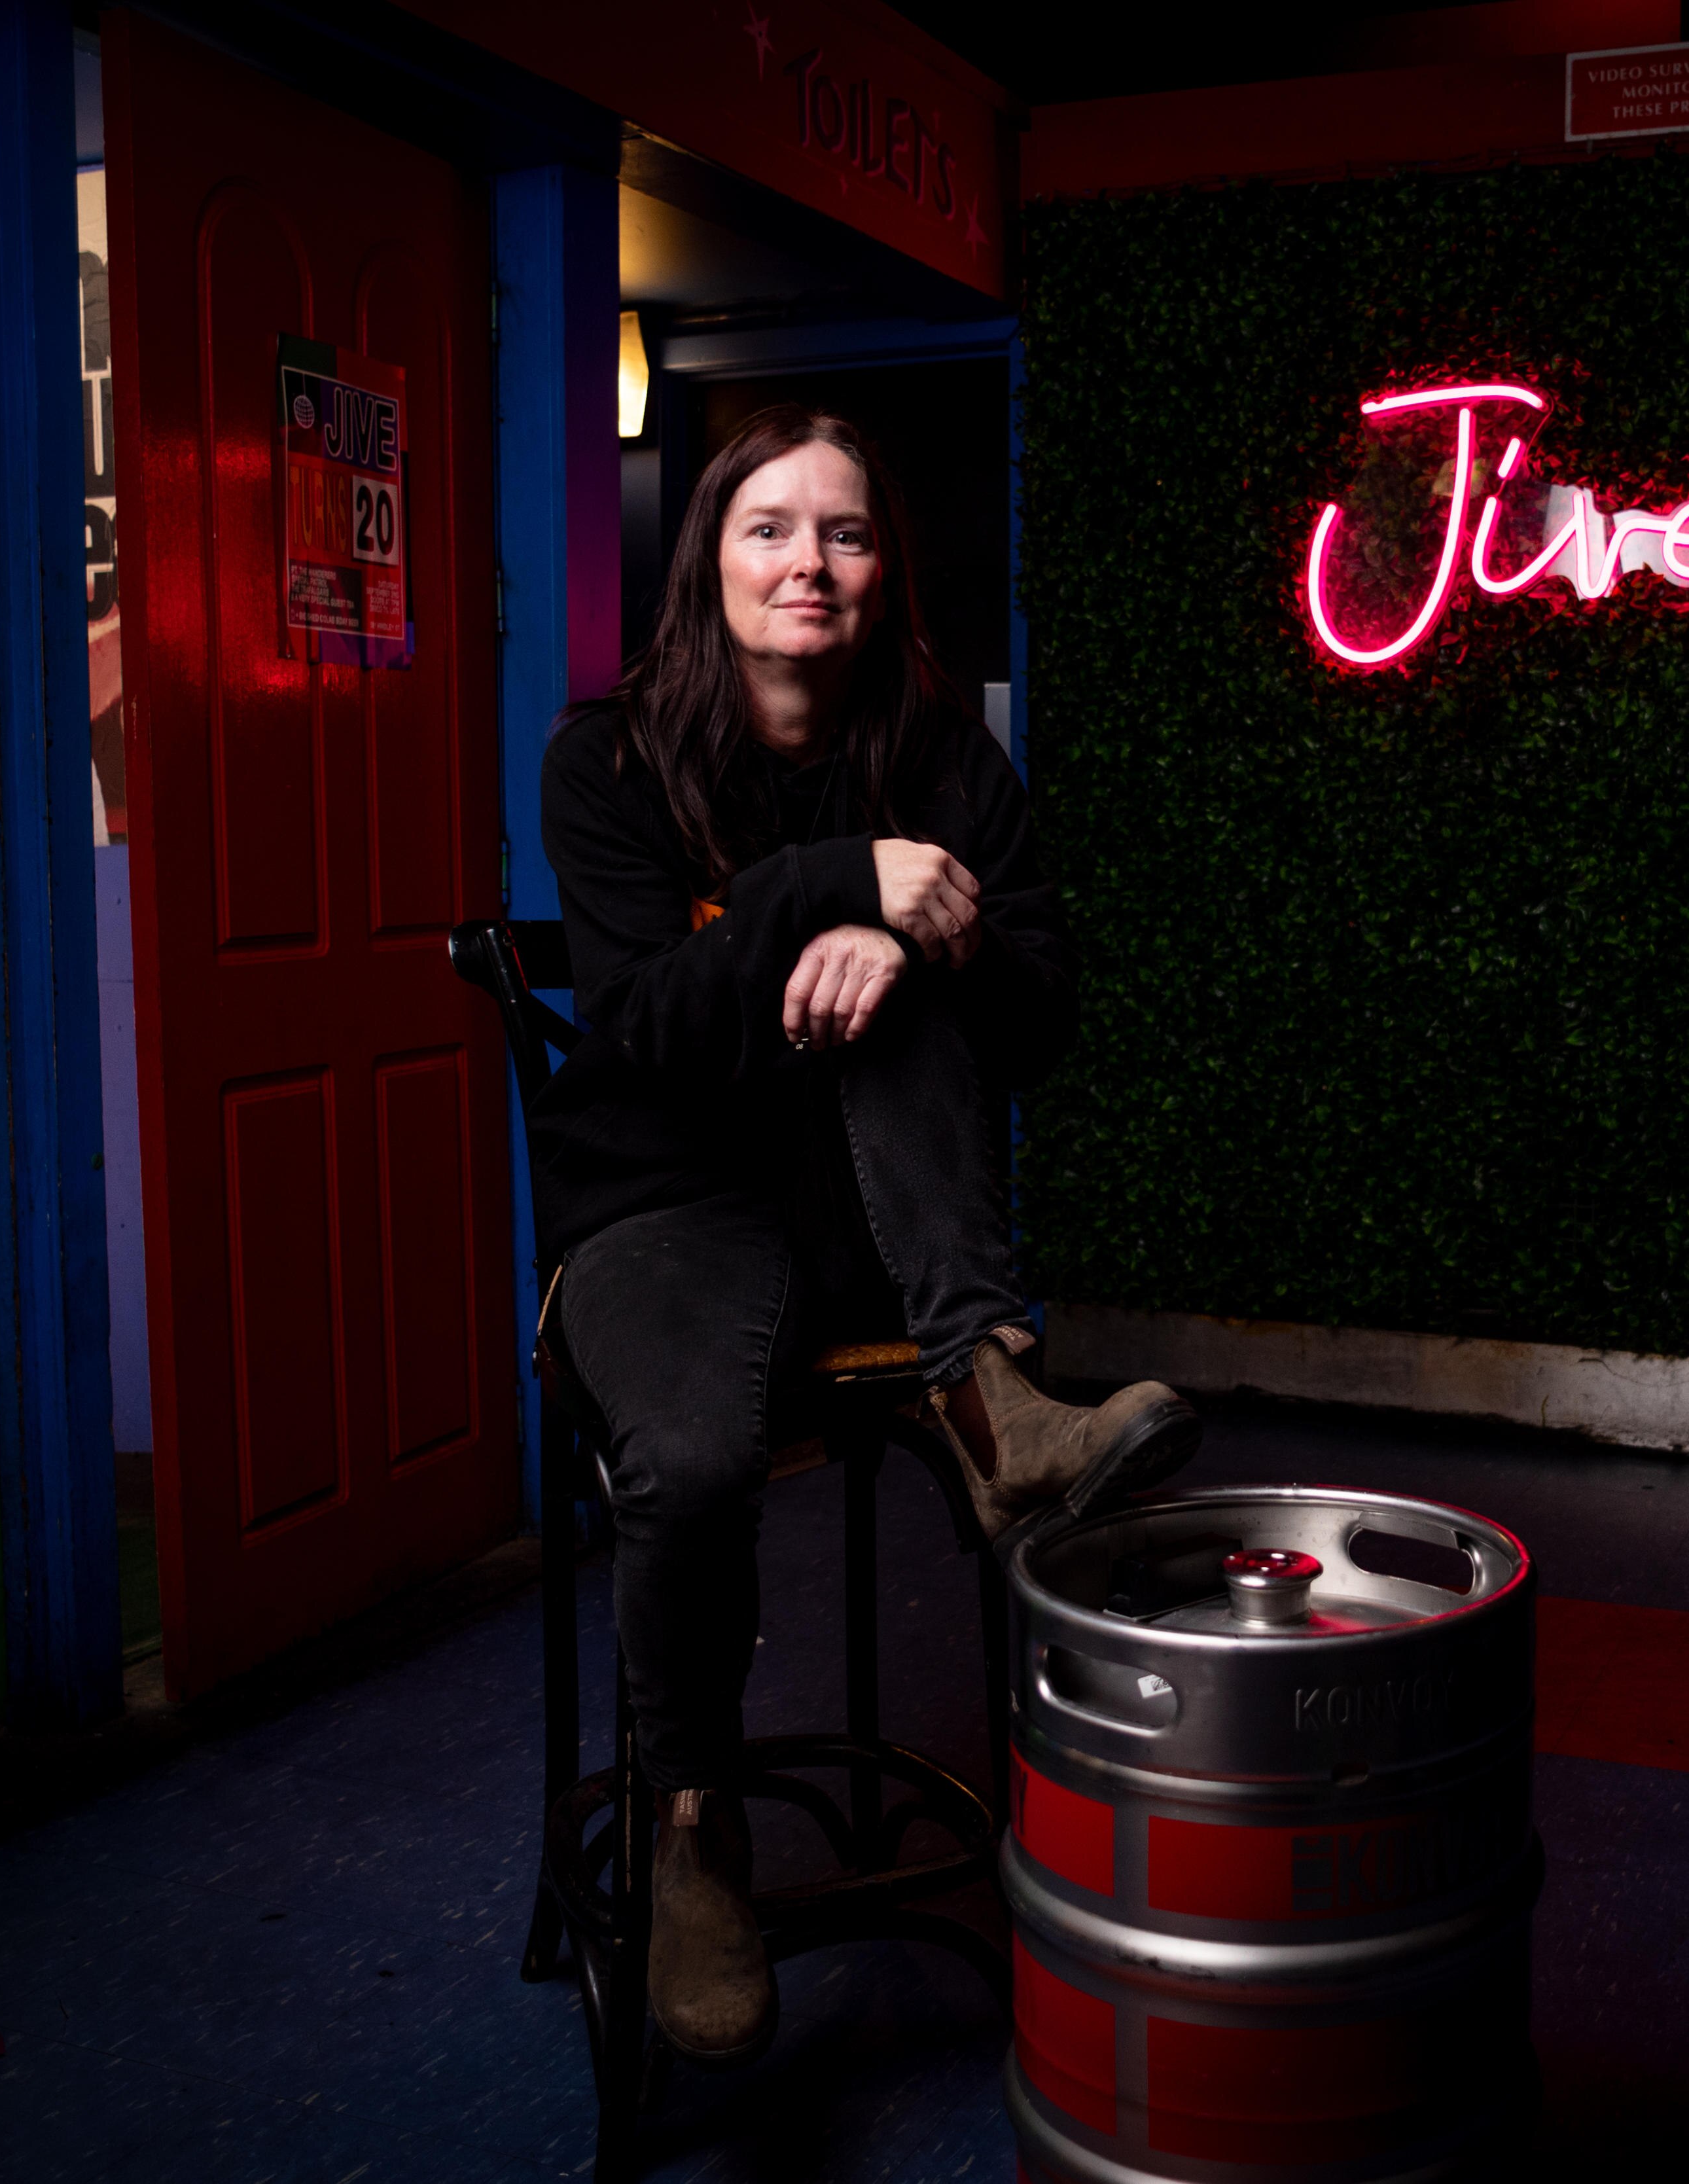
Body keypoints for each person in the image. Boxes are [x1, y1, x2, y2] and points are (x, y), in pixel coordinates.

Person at [530, 406, 1201, 2068]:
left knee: (916, 989)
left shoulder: (948, 756)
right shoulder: (604, 758)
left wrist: (926, 949)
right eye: (770, 529)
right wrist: (843, 885)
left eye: (843, 532)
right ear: (711, 557)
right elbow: (642, 1029)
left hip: (875, 1227)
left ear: (883, 565)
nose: (807, 565)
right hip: (666, 1210)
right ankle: (694, 1830)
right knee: (683, 1470)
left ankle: (996, 1402)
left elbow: (1044, 1012)